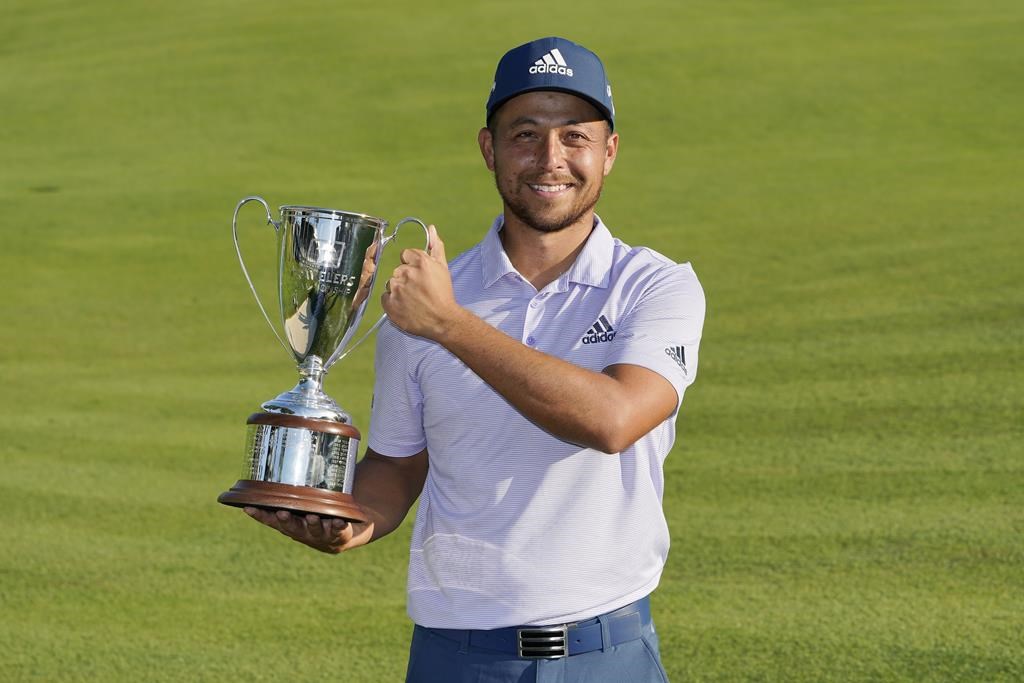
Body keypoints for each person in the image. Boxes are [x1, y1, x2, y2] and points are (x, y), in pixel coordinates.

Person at [246, 36, 706, 682]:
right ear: (488, 149)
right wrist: (347, 521)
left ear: (610, 151)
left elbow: (615, 418)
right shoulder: (427, 302)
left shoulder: (656, 286)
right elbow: (397, 470)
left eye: (574, 135)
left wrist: (453, 325)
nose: (550, 158)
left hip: (608, 654)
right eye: (525, 134)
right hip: (457, 659)